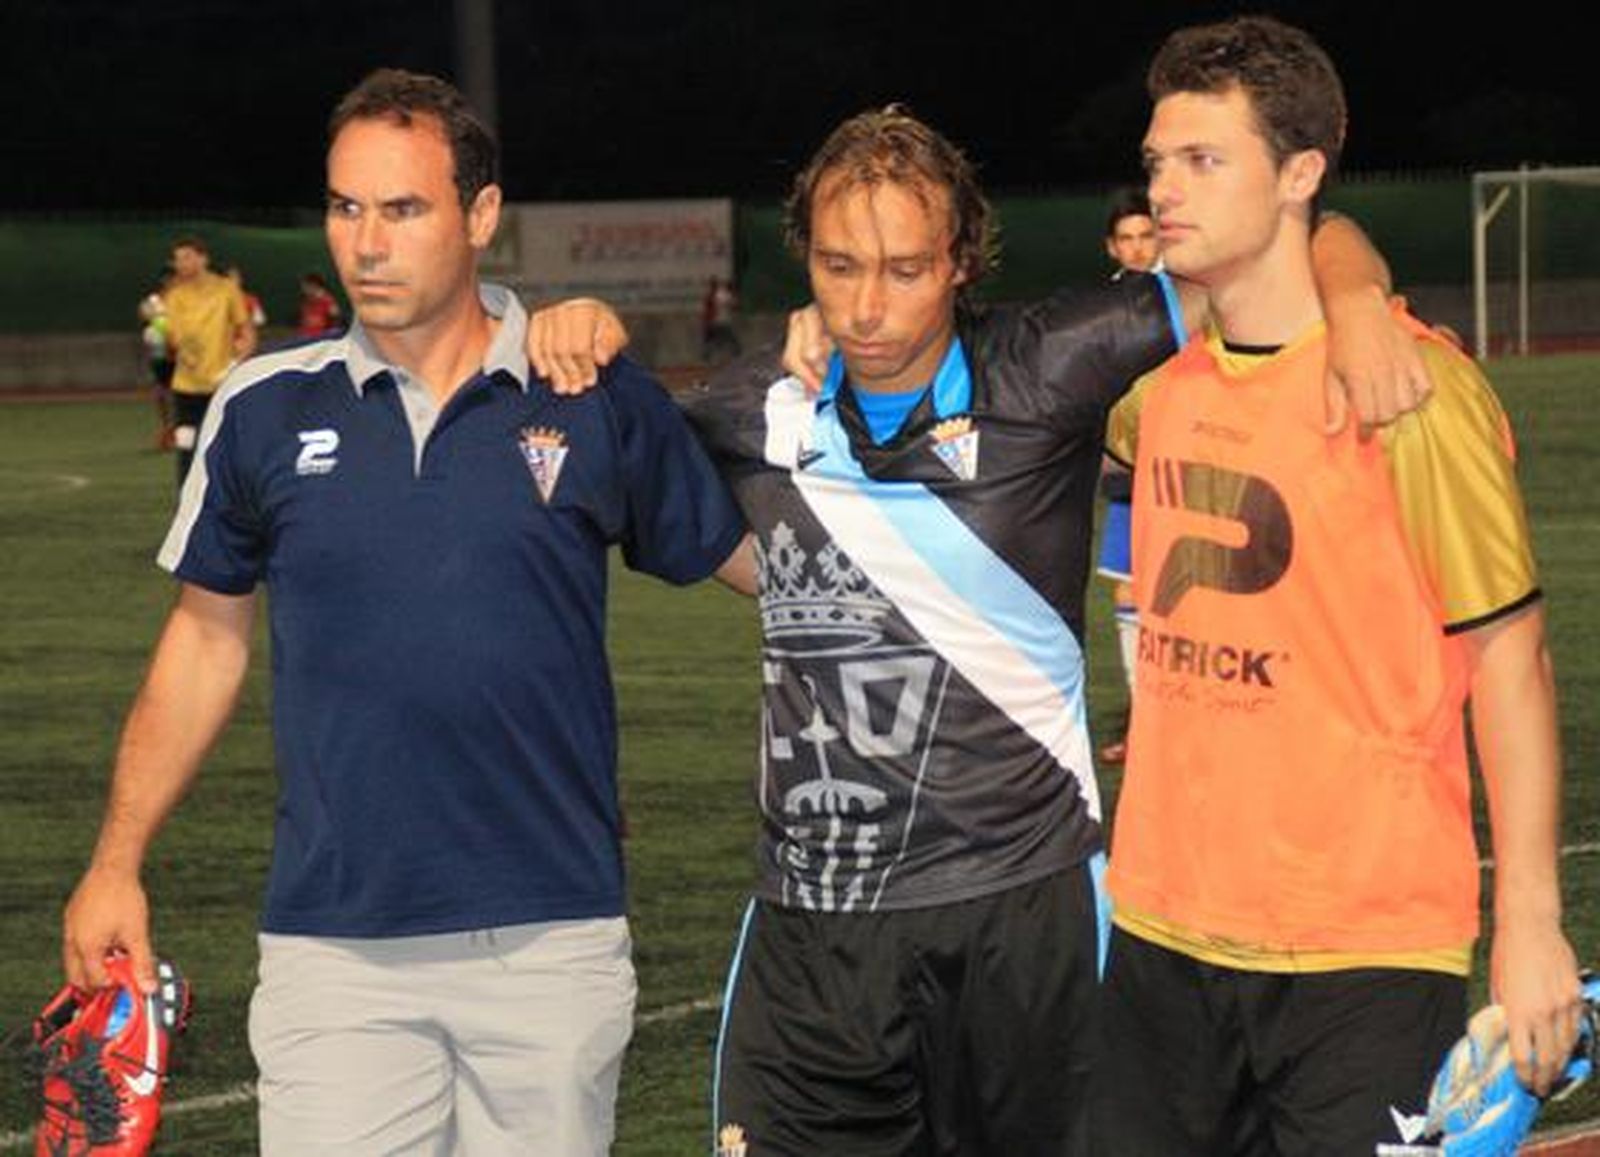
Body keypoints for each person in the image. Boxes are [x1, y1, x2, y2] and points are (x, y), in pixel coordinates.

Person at [665, 104, 1425, 1157]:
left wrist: (1356, 296)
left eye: (904, 268)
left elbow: (1278, 240)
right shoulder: (755, 402)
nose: (867, 306)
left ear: (963, 260)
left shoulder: (1047, 363)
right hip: (810, 932)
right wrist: (577, 332)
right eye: (839, 268)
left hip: (1025, 921)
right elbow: (638, 481)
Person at [59, 67, 746, 1156]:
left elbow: (769, 568)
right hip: (335, 949)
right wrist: (114, 859)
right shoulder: (264, 406)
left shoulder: (587, 391)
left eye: (404, 208)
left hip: (550, 941)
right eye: (346, 207)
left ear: (480, 216)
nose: (366, 243)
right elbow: (202, 639)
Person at [1094, 17, 1583, 1155]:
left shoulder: (1413, 392)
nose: (1164, 188)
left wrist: (1529, 925)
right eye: (1159, 161)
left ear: (1300, 173)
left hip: (1362, 949)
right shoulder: (1152, 393)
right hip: (1161, 935)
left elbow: (1510, 658)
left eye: (1203, 161)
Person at [1094, 187, 1160, 763]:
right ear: (1112, 247)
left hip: (1184, 466)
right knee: (1129, 588)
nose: (1138, 249)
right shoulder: (1105, 307)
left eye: (1147, 236)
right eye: (1128, 239)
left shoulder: (1187, 295)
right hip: (1127, 473)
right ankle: (1147, 727)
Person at [162, 236, 257, 485]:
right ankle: (187, 501)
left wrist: (235, 365)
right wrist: (176, 346)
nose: (181, 264)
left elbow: (247, 332)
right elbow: (172, 337)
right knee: (186, 444)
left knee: (226, 446)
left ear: (203, 258)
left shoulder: (227, 289)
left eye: (187, 257)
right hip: (186, 385)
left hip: (221, 384)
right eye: (177, 259)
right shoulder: (174, 296)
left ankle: (233, 500)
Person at [137, 269, 176, 450]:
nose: (172, 283)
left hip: (181, 353)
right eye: (169, 280)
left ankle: (176, 430)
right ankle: (166, 427)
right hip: (160, 354)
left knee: (181, 392)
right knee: (161, 392)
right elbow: (144, 316)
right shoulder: (154, 301)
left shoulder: (186, 300)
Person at [701, 274, 741, 364]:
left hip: (718, 321)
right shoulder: (719, 294)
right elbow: (733, 303)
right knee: (722, 339)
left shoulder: (719, 294)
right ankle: (736, 353)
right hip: (718, 321)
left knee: (717, 339)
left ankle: (707, 355)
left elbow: (732, 304)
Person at [296, 270, 343, 337]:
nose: (303, 288)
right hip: (303, 337)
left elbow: (336, 320)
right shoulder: (306, 300)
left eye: (305, 285)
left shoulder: (328, 301)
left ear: (314, 285)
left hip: (318, 340)